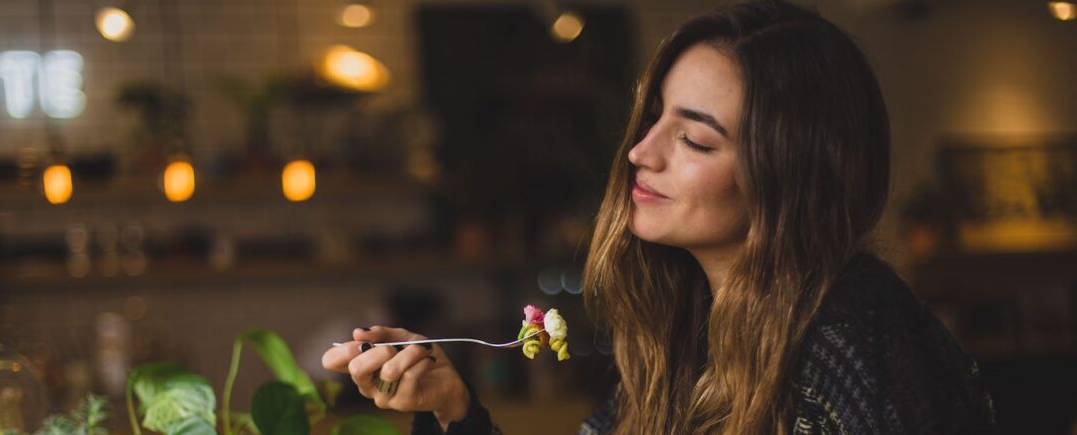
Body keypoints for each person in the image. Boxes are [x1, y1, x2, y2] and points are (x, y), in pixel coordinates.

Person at [322, 1, 997, 433]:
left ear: (792, 177)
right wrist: (453, 406)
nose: (641, 152)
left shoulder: (850, 341)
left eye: (696, 140)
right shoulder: (686, 325)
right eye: (653, 120)